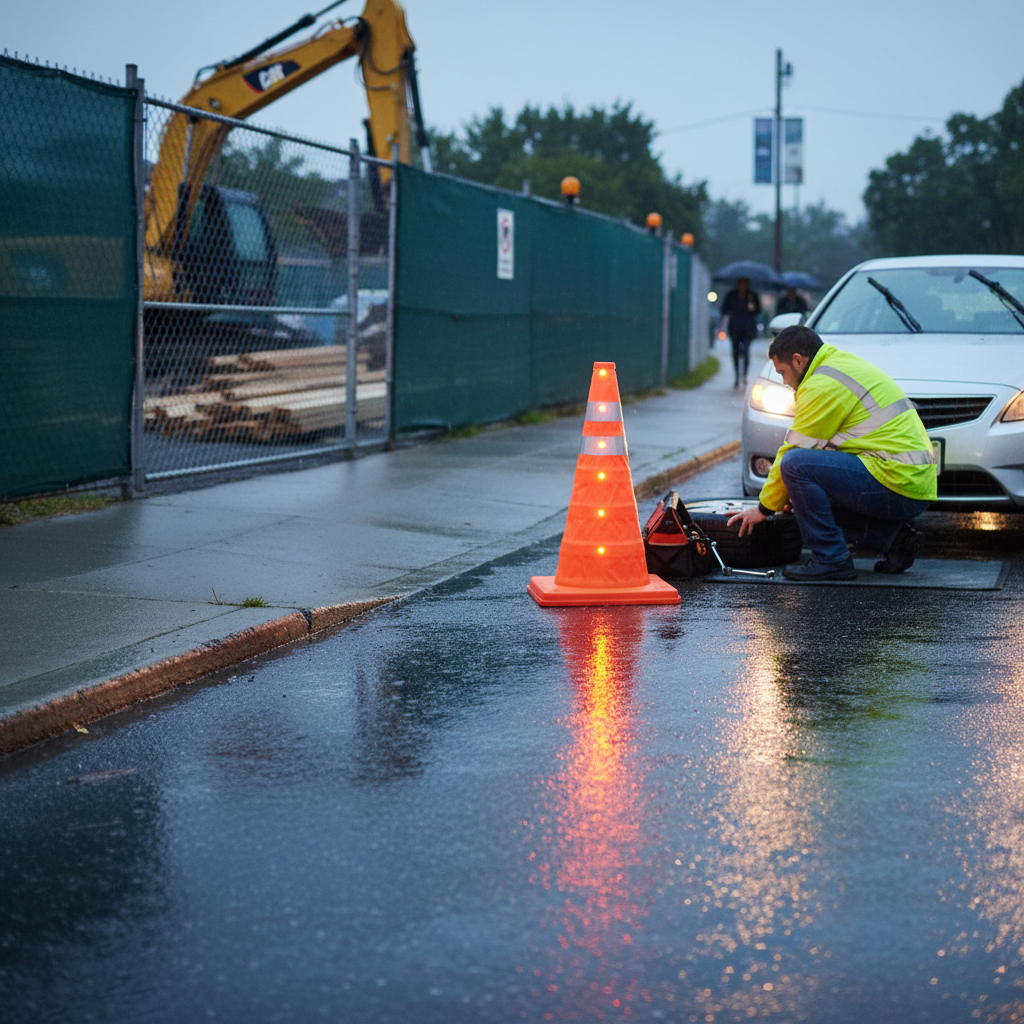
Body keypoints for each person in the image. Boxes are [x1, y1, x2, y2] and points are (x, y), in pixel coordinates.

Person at [727, 324, 938, 581]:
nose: (783, 381)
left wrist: (763, 509)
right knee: (802, 492)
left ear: (798, 360)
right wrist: (789, 496)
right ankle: (894, 540)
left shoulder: (821, 385)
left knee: (794, 465)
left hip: (898, 480)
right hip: (912, 483)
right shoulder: (838, 365)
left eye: (782, 372)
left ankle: (831, 559)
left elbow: (793, 452)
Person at [719, 277, 761, 388]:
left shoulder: (752, 296)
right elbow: (724, 309)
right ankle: (737, 376)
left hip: (748, 329)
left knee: (745, 351)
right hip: (735, 328)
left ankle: (744, 375)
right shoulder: (731, 295)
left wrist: (753, 307)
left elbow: (758, 310)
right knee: (736, 352)